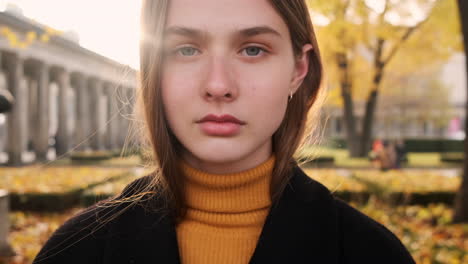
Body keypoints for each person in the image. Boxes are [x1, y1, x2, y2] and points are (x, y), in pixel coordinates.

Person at [33, 0, 416, 263]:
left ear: (298, 70)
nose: (218, 85)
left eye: (252, 50)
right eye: (186, 50)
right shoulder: (73, 251)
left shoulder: (374, 253)